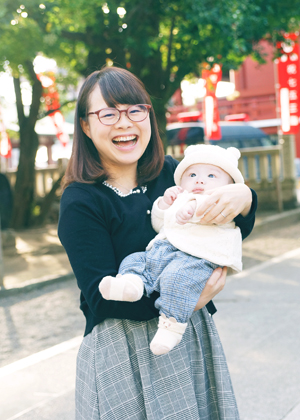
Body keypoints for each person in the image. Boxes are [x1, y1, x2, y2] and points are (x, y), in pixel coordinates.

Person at [58, 66, 257, 420]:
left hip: (189, 335)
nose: (124, 123)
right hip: (122, 349)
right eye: (108, 113)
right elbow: (101, 300)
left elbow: (230, 221)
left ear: (149, 116)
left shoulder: (172, 173)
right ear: (86, 126)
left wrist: (244, 196)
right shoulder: (81, 201)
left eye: (136, 109)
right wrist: (188, 300)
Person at [99, 144, 244, 356]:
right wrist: (165, 205)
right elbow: (160, 224)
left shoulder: (220, 201)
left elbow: (211, 215)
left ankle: (172, 327)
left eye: (212, 175)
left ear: (228, 185)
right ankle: (132, 284)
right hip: (163, 251)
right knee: (136, 260)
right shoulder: (181, 196)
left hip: (197, 258)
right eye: (192, 174)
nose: (200, 180)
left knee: (176, 279)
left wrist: (242, 196)